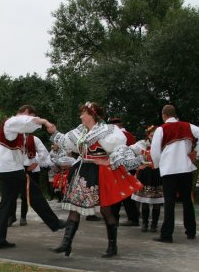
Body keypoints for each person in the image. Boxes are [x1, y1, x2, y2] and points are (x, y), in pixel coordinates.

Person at [47, 102, 143, 257]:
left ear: (92, 115)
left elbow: (119, 150)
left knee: (105, 209)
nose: (80, 116)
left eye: (83, 113)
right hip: (81, 170)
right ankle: (66, 244)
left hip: (99, 172)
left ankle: (113, 247)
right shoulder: (80, 131)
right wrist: (53, 131)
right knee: (74, 207)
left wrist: (108, 161)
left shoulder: (108, 131)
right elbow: (66, 141)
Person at [0, 105, 66, 250]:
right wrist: (45, 122)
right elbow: (25, 122)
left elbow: (26, 126)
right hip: (12, 171)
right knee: (35, 194)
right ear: (26, 112)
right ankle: (54, 223)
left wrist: (34, 163)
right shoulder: (10, 123)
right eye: (32, 116)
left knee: (5, 205)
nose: (33, 120)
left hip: (8, 170)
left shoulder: (18, 131)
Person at [150, 104, 199, 243]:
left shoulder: (161, 129)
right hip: (185, 169)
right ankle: (191, 231)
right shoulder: (187, 126)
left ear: (163, 115)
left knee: (169, 202)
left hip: (169, 170)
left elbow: (155, 151)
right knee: (187, 200)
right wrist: (196, 152)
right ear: (174, 114)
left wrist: (158, 165)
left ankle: (167, 235)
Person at [9, 134, 50, 227]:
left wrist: (36, 163)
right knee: (12, 194)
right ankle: (12, 216)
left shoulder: (33, 139)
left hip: (30, 169)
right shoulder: (11, 140)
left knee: (26, 195)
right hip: (15, 168)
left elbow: (44, 152)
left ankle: (23, 217)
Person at [107, 116, 140, 226]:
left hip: (119, 166)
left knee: (118, 192)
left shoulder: (115, 136)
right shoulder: (129, 135)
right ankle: (130, 216)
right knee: (126, 192)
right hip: (130, 166)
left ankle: (116, 216)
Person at [130, 125, 163, 232]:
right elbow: (129, 151)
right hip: (145, 174)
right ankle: (144, 223)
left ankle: (154, 224)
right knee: (145, 200)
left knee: (157, 201)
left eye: (156, 135)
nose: (154, 137)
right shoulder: (142, 144)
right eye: (152, 135)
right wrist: (137, 164)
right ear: (148, 135)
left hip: (158, 173)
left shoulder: (163, 145)